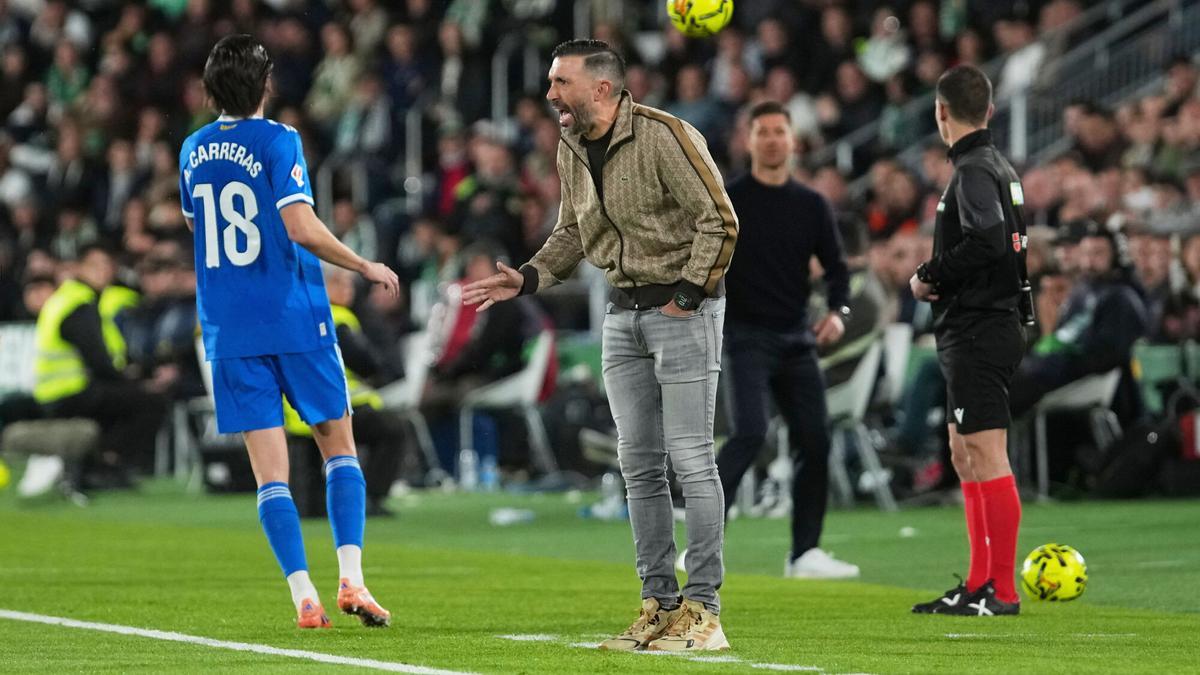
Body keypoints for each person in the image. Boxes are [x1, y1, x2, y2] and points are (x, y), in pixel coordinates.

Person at [462, 39, 737, 652]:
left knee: (692, 459)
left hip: (681, 312)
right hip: (623, 313)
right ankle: (659, 603)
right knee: (638, 466)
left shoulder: (668, 135)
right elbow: (572, 231)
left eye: (562, 83)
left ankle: (706, 611)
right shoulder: (569, 145)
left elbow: (720, 219)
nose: (551, 93)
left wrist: (688, 296)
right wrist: (528, 277)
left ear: (603, 89)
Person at [179, 35, 400, 630]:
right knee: (337, 444)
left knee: (269, 472)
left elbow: (201, 226)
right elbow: (299, 227)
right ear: (265, 83)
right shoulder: (280, 140)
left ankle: (303, 594)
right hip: (294, 315)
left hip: (228, 326)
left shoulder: (192, 150)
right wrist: (362, 264)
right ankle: (351, 578)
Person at [711, 100, 858, 579]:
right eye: (763, 131)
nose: (773, 139)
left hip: (796, 338)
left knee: (815, 439)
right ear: (748, 139)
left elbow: (838, 271)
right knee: (750, 433)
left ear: (794, 140)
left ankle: (805, 553)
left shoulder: (812, 205)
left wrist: (839, 313)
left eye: (780, 131)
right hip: (744, 336)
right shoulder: (728, 200)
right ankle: (704, 544)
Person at [908, 65, 1028, 617]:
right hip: (977, 328)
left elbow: (988, 241)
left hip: (980, 328)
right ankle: (979, 582)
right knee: (964, 451)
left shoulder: (975, 170)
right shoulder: (991, 164)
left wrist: (930, 274)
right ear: (990, 110)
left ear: (940, 113)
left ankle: (1000, 591)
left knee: (986, 452)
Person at [32, 243, 168, 485]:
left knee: (125, 398)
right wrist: (135, 382)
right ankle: (109, 463)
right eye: (95, 266)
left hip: (57, 390)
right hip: (69, 391)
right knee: (151, 401)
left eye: (107, 265)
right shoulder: (78, 304)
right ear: (79, 268)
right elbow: (98, 361)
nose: (103, 272)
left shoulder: (68, 299)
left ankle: (95, 464)